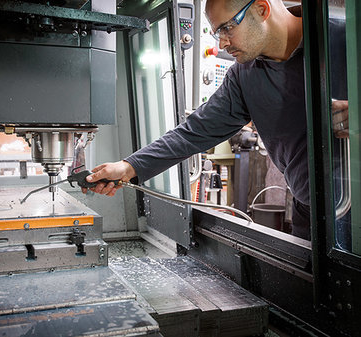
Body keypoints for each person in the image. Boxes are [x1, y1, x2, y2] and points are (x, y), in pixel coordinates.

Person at [82, 0, 349, 240]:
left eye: (227, 29)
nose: (221, 44)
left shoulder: (347, 38)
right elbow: (194, 131)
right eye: (216, 33)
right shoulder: (244, 76)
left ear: (262, 9)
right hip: (313, 215)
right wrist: (129, 167)